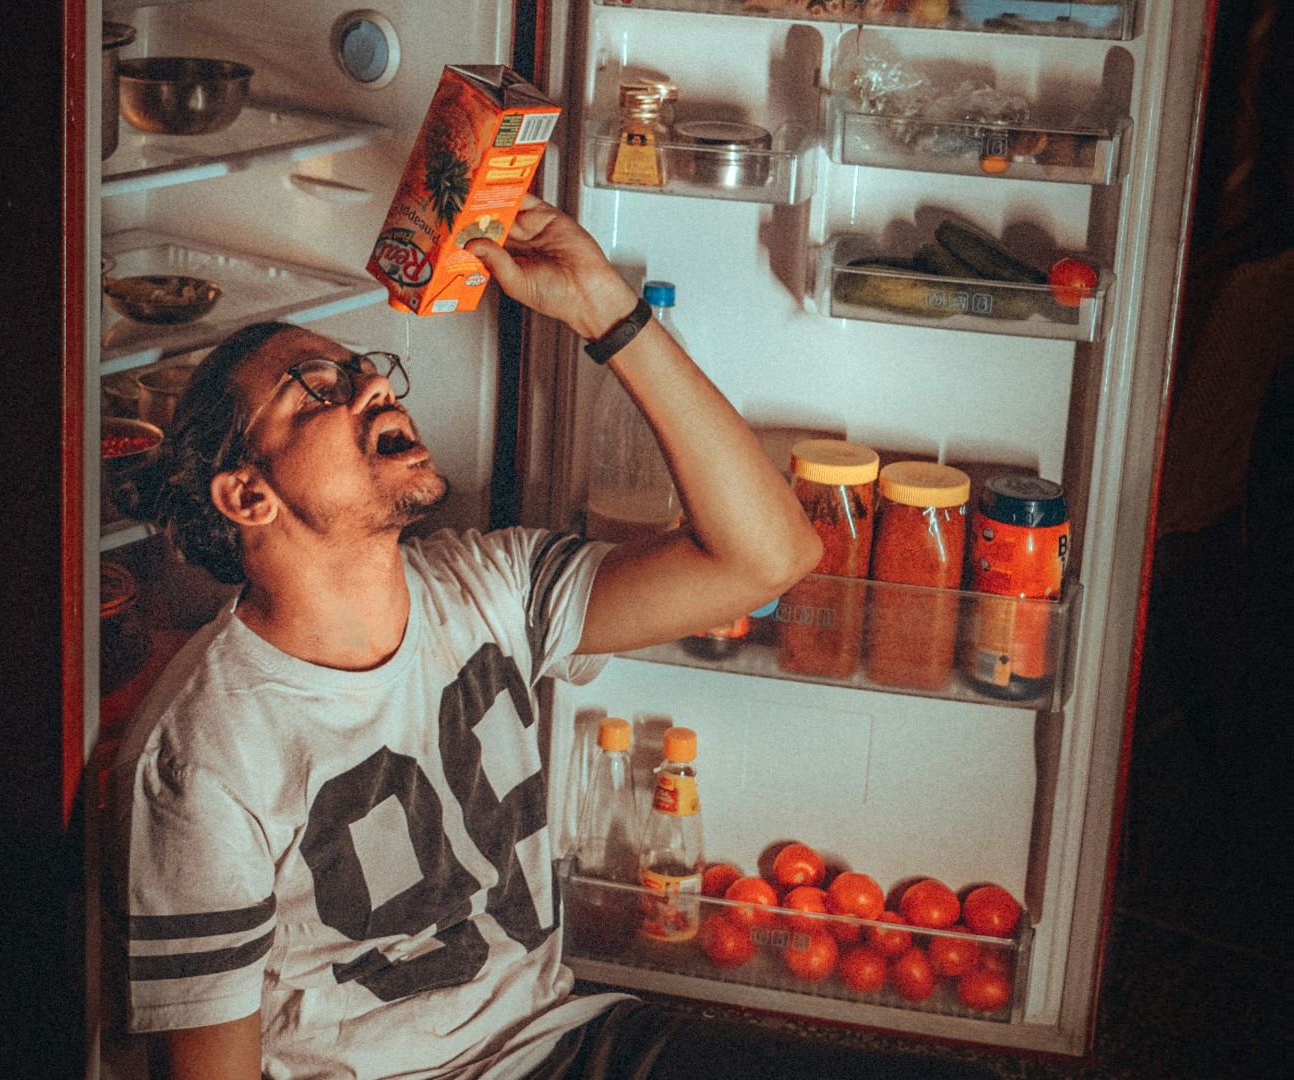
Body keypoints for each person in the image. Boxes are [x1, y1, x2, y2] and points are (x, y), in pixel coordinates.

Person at [107, 195, 822, 1080]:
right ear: (248, 496)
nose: (375, 386)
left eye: (366, 371)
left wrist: (605, 307)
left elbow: (770, 557)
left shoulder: (493, 585)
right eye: (319, 390)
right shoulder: (202, 756)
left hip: (567, 1043)